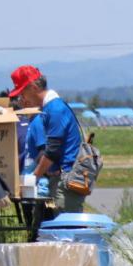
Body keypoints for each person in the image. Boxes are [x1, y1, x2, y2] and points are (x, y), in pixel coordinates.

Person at [7, 66, 84, 213]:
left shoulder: (55, 109)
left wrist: (33, 177)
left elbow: (53, 151)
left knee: (65, 227)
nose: (22, 98)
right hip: (60, 177)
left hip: (65, 178)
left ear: (34, 87)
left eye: (23, 93)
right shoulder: (49, 108)